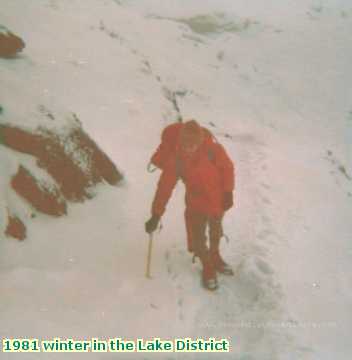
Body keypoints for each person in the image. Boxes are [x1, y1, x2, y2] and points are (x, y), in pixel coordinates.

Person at [145, 120, 235, 290]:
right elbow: (164, 188)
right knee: (198, 238)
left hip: (218, 200)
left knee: (216, 230)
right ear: (180, 142)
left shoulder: (212, 150)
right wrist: (156, 214)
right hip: (196, 203)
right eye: (185, 144)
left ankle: (215, 256)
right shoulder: (176, 160)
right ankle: (207, 266)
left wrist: (228, 192)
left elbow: (227, 168)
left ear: (200, 142)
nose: (189, 148)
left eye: (192, 144)